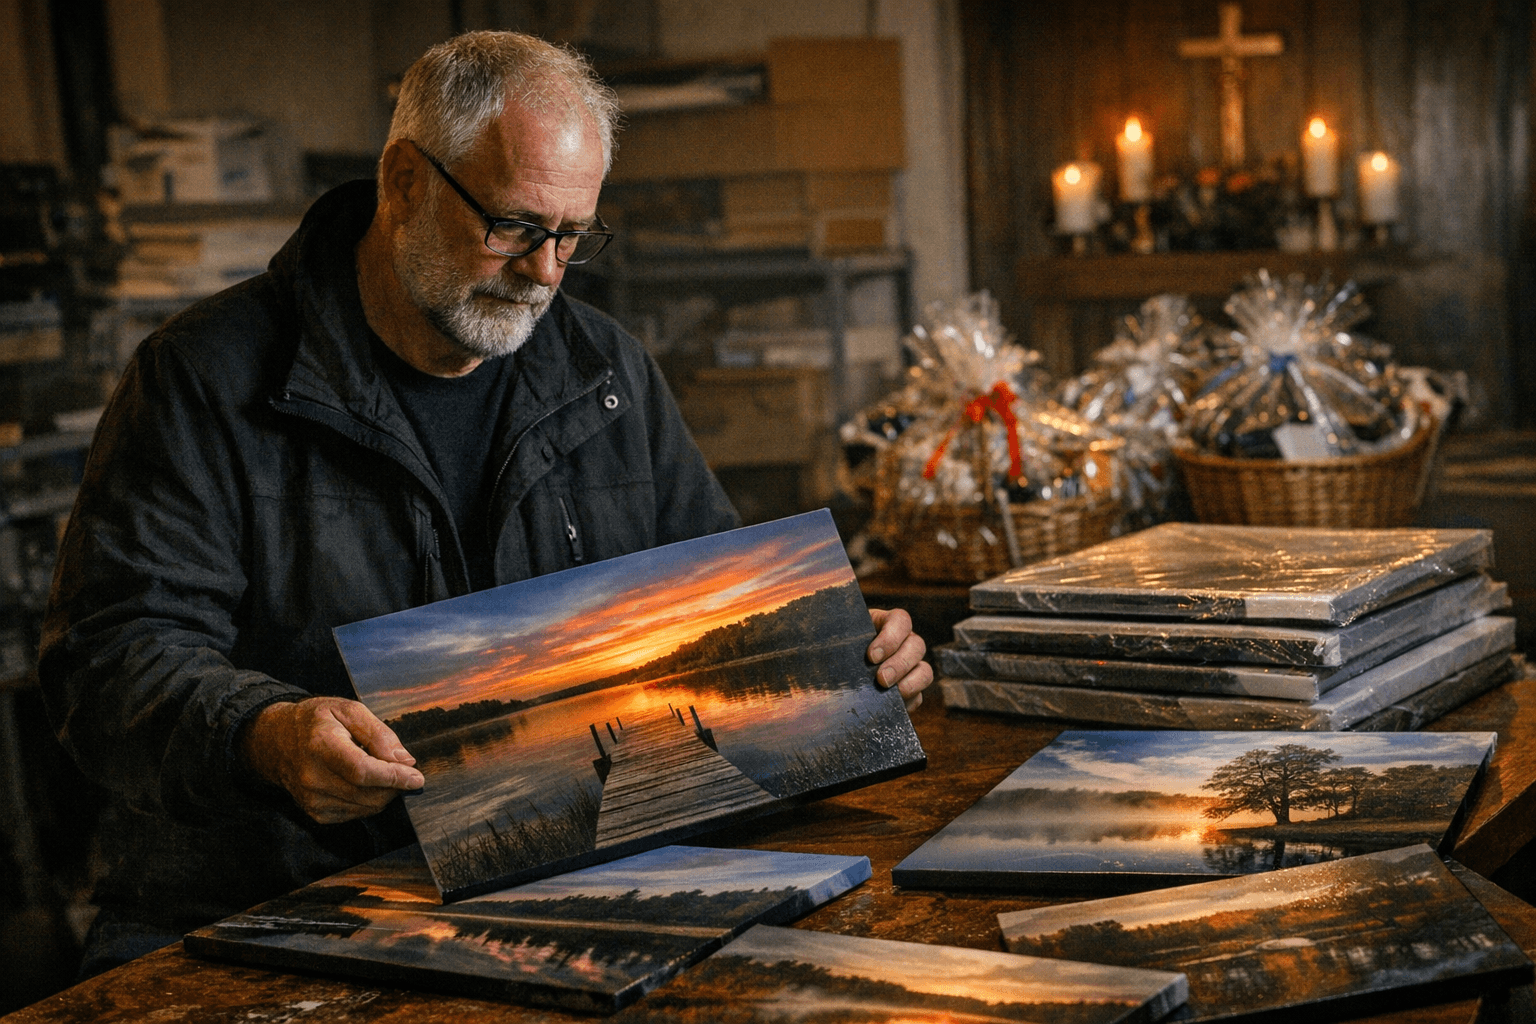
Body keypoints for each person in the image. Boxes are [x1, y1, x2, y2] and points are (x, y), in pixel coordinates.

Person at [39, 30, 932, 976]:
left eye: (573, 236)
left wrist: (839, 650)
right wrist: (261, 735)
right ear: (404, 182)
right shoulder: (202, 380)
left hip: (558, 882)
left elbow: (714, 601)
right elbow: (109, 659)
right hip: (271, 892)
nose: (546, 272)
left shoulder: (605, 371)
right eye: (515, 227)